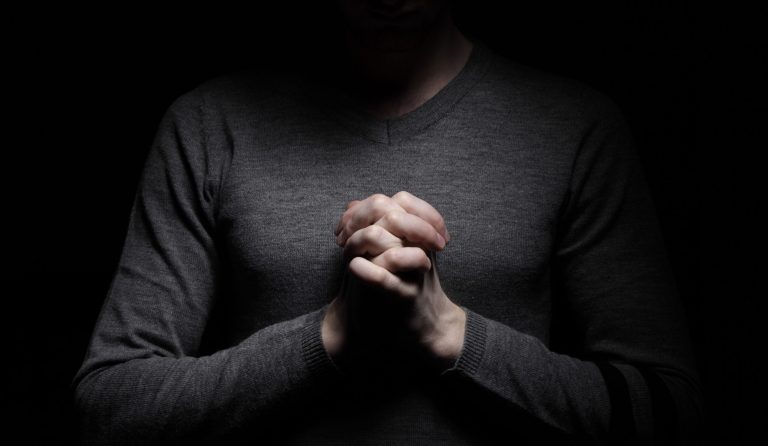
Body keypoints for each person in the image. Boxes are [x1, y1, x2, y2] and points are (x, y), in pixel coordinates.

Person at [72, 0, 703, 444]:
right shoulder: (210, 125)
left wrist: (449, 333)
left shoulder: (574, 127)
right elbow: (111, 409)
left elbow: (669, 411)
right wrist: (329, 336)